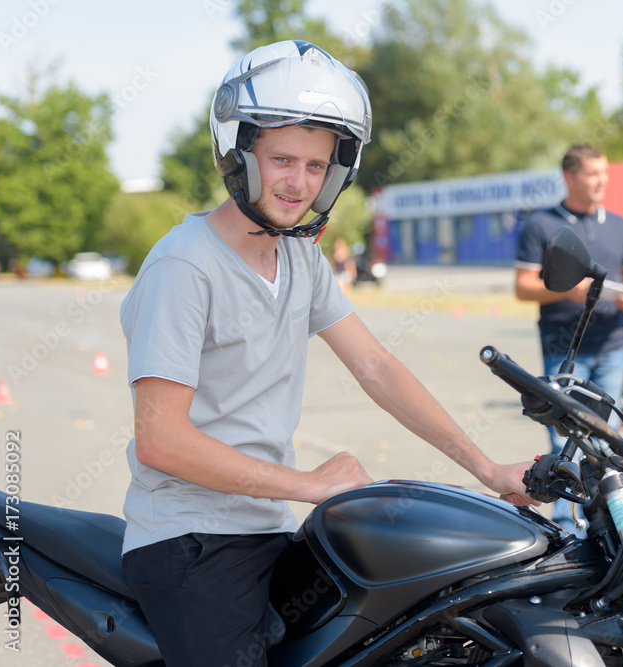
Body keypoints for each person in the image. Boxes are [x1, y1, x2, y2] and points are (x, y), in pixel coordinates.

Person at [118, 40, 536, 667]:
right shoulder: (186, 266)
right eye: (283, 159)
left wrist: (488, 469)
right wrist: (308, 484)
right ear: (239, 154)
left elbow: (376, 366)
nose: (299, 182)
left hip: (264, 529)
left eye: (316, 167)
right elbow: (159, 440)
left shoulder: (299, 256)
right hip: (190, 540)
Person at [515, 144, 623, 534]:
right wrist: (567, 291)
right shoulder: (542, 225)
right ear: (569, 177)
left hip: (613, 345)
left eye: (604, 173)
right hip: (564, 349)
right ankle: (565, 530)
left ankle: (608, 524)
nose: (601, 181)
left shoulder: (620, 225)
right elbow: (523, 287)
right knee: (564, 443)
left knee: (605, 442)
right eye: (592, 174)